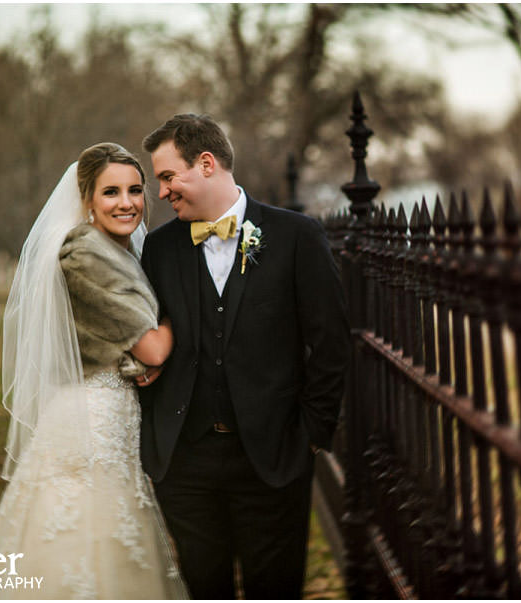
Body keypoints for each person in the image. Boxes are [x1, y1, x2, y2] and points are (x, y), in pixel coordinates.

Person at [138, 114, 350, 599]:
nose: (163, 191)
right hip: (186, 465)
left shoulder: (297, 236)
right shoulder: (159, 249)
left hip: (273, 460)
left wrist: (312, 435)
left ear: (206, 163)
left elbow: (332, 341)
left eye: (169, 176)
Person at [0, 143, 188, 599]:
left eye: (135, 190)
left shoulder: (118, 252)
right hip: (90, 418)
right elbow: (155, 348)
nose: (126, 202)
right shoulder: (84, 255)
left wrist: (138, 364)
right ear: (88, 201)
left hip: (115, 413)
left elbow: (117, 341)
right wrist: (182, 314)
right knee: (81, 532)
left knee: (116, 531)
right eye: (110, 192)